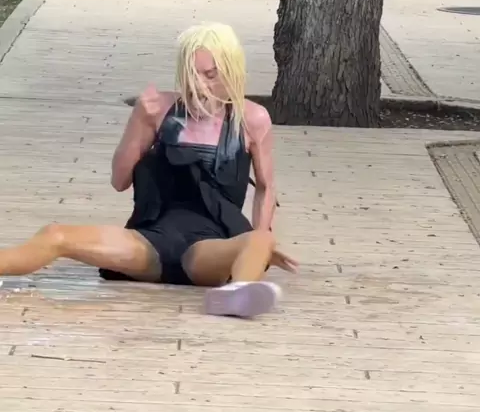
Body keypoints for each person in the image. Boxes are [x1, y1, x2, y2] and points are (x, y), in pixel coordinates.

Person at [0, 23, 297, 317]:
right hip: (150, 240)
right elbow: (119, 181)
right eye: (191, 75)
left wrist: (259, 251)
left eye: (210, 75)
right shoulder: (160, 109)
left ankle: (236, 294)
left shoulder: (251, 119)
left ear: (232, 71)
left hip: (208, 248)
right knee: (55, 234)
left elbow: (266, 187)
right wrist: (139, 120)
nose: (199, 86)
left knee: (262, 239)